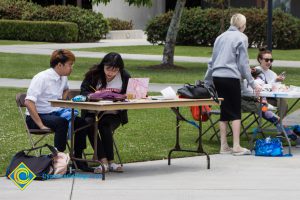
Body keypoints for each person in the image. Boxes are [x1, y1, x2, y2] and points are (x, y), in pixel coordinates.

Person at [25, 49, 92, 172]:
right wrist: (40, 125)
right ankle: (57, 161)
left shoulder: (63, 77)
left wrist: (62, 98)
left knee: (81, 122)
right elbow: (28, 102)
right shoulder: (41, 78)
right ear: (59, 65)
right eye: (70, 65)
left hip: (54, 114)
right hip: (36, 117)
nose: (72, 68)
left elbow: (66, 90)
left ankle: (78, 159)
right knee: (61, 122)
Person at [204, 13, 262, 156]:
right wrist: (253, 84)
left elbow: (212, 61)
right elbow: (243, 64)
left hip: (217, 77)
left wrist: (207, 80)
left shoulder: (220, 37)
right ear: (242, 26)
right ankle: (236, 146)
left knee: (225, 111)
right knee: (236, 111)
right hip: (231, 77)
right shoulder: (242, 38)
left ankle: (224, 146)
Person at [80, 52, 131, 173]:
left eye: (114, 70)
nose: (110, 73)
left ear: (119, 69)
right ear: (103, 65)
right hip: (93, 112)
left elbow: (130, 94)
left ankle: (111, 162)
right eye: (108, 69)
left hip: (113, 113)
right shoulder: (94, 75)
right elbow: (83, 91)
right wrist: (92, 95)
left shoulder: (125, 76)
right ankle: (103, 161)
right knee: (89, 124)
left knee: (104, 125)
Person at [255, 47, 288, 117]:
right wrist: (275, 80)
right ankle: (279, 123)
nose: (269, 62)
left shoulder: (273, 74)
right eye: (266, 60)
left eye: (271, 60)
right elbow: (261, 87)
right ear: (260, 60)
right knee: (263, 107)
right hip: (258, 100)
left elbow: (276, 89)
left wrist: (281, 85)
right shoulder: (255, 71)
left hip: (270, 99)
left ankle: (281, 123)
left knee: (283, 101)